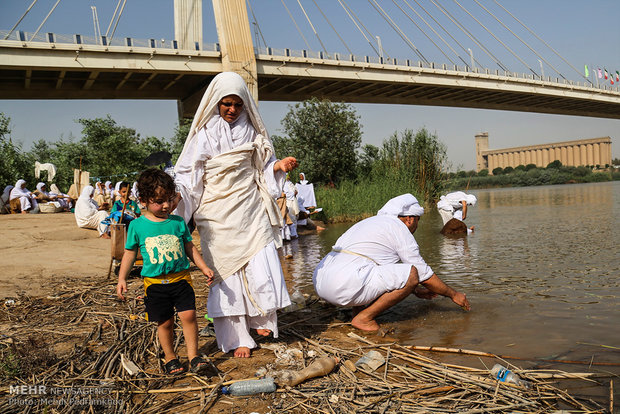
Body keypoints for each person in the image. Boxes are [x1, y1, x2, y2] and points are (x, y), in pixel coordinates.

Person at [174, 71, 298, 358]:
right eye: (226, 104)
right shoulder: (203, 136)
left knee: (260, 261)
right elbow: (188, 176)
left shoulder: (254, 132)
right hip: (217, 211)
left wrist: (278, 167)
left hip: (250, 207)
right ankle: (238, 338)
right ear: (216, 103)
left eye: (238, 104)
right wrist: (178, 199)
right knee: (226, 274)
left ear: (246, 105)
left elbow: (263, 168)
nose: (232, 110)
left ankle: (262, 321)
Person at [313, 194, 471, 332]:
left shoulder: (371, 222)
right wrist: (454, 294)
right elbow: (422, 274)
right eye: (418, 220)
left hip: (322, 282)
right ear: (409, 219)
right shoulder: (398, 227)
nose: (417, 225)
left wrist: (414, 290)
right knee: (412, 273)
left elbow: (380, 268)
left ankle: (358, 313)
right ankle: (364, 318)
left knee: (369, 268)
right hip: (343, 285)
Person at [116, 168, 214, 375]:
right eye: (159, 201)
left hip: (181, 280)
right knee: (166, 322)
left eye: (169, 199)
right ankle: (170, 357)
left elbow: (189, 248)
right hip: (155, 284)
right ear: (143, 200)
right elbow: (129, 254)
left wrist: (204, 267)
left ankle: (194, 356)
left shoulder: (177, 222)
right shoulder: (137, 226)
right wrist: (122, 278)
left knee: (189, 315)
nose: (167, 205)